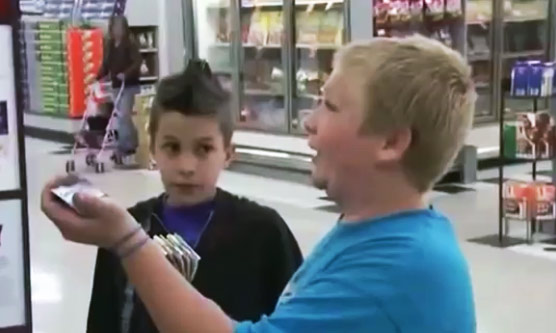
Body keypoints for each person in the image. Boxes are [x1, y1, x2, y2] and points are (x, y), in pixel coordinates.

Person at [42, 35, 477, 332]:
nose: (309, 123)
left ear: (391, 142)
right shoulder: (372, 236)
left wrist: (127, 241)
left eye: (328, 105)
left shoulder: (400, 268)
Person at [86, 60, 303, 333]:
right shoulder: (124, 229)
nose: (186, 166)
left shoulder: (265, 233)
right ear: (152, 147)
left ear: (228, 153)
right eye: (172, 147)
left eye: (203, 149)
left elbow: (295, 323)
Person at [96, 15, 142, 168]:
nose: (117, 30)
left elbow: (137, 62)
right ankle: (132, 143)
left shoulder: (131, 44)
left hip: (129, 85)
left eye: (119, 27)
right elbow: (106, 63)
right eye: (114, 27)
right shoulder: (109, 44)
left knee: (124, 115)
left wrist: (126, 74)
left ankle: (126, 147)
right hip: (116, 85)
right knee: (121, 117)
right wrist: (98, 76)